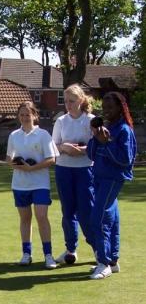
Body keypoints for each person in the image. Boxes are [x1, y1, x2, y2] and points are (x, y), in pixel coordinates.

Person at [86, 92, 137, 280]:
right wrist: (95, 136)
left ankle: (104, 262)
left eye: (110, 108)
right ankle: (113, 262)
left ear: (120, 108)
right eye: (104, 108)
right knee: (112, 220)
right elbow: (91, 155)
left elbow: (125, 160)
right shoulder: (106, 128)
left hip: (112, 179)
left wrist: (106, 143)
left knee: (97, 218)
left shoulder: (124, 130)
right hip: (99, 178)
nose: (106, 111)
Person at [6, 101, 59, 269]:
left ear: (34, 115)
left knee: (42, 216)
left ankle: (48, 255)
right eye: (21, 115)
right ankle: (26, 254)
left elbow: (52, 159)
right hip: (20, 184)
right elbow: (8, 158)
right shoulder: (14, 135)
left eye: (27, 115)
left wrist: (32, 168)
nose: (24, 118)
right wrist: (17, 165)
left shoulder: (43, 135)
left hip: (40, 183)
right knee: (25, 219)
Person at [52, 84, 95, 265]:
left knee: (87, 211)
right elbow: (53, 146)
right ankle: (71, 250)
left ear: (81, 100)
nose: (68, 104)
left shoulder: (91, 120)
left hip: (85, 169)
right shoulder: (61, 121)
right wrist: (64, 147)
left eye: (72, 100)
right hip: (64, 169)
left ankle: (99, 250)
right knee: (68, 211)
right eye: (66, 101)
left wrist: (83, 149)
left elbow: (97, 146)